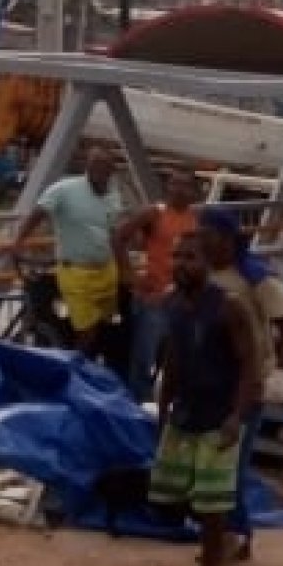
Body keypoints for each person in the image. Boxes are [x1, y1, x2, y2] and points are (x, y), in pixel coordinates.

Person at [149, 233, 260, 566]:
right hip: (186, 412)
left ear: (207, 263)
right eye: (177, 256)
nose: (181, 264)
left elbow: (250, 365)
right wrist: (163, 408)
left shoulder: (229, 307)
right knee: (175, 495)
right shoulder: (174, 305)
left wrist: (236, 416)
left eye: (190, 257)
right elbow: (174, 361)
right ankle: (219, 545)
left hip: (218, 415)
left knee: (211, 505)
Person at [196, 207, 283, 560]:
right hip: (210, 379)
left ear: (225, 239)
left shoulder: (255, 278)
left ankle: (234, 532)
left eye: (206, 235)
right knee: (209, 462)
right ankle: (225, 530)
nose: (200, 241)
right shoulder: (203, 275)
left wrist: (281, 374)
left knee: (232, 462)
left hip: (248, 380)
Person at [8, 146, 124, 358]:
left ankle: (95, 372)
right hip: (76, 272)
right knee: (86, 331)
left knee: (108, 327)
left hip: (107, 270)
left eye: (103, 166)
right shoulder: (64, 189)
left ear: (111, 170)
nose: (97, 170)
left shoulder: (114, 195)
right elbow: (38, 213)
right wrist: (18, 241)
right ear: (87, 166)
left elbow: (113, 230)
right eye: (93, 164)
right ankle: (76, 374)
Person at [112, 168, 201, 402]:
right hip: (154, 299)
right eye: (173, 184)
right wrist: (131, 276)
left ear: (194, 191)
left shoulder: (196, 218)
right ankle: (136, 404)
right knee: (144, 357)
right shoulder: (155, 213)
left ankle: (167, 404)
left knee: (176, 357)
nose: (178, 189)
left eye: (184, 185)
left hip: (183, 300)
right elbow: (120, 236)